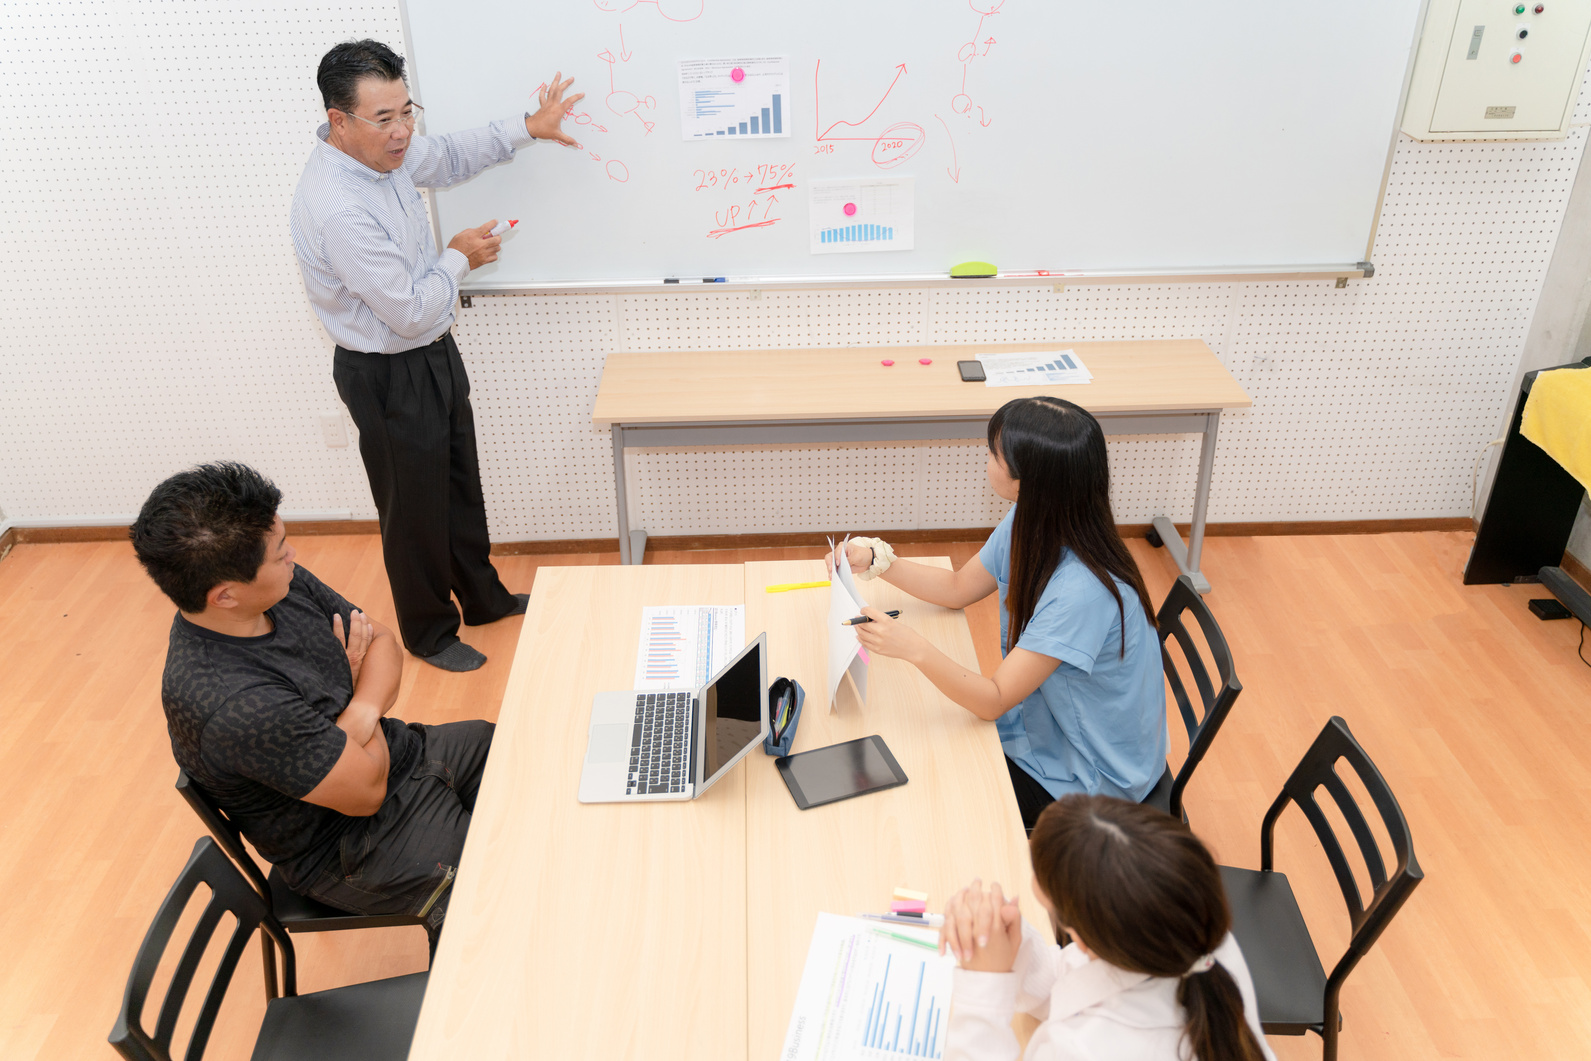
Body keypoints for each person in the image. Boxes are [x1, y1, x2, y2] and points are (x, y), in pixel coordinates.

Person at [291, 39, 585, 672]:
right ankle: (428, 632)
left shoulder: (384, 154)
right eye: (384, 119)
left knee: (457, 483)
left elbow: (447, 156)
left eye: (407, 111)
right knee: (411, 508)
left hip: (430, 353)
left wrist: (527, 128)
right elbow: (411, 310)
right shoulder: (337, 204)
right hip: (386, 370)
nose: (402, 132)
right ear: (339, 121)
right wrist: (459, 257)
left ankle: (481, 598)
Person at [131, 462, 495, 948]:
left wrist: (355, 711)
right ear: (225, 595)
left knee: (523, 753)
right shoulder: (235, 703)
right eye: (280, 553)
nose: (293, 556)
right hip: (355, 844)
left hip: (405, 753)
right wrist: (354, 687)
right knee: (504, 875)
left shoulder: (279, 585)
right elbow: (366, 788)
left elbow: (382, 640)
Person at [833, 397, 1166, 829]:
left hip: (1092, 784)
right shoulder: (1032, 519)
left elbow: (991, 701)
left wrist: (913, 648)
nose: (986, 459)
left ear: (1026, 483)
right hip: (1047, 731)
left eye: (993, 454)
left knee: (920, 794)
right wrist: (877, 559)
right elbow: (957, 589)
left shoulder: (1083, 591)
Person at [939, 795, 1276, 1061]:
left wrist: (982, 992)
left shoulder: (1082, 1049)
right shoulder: (1195, 940)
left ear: (1085, 939)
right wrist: (1010, 949)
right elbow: (1076, 982)